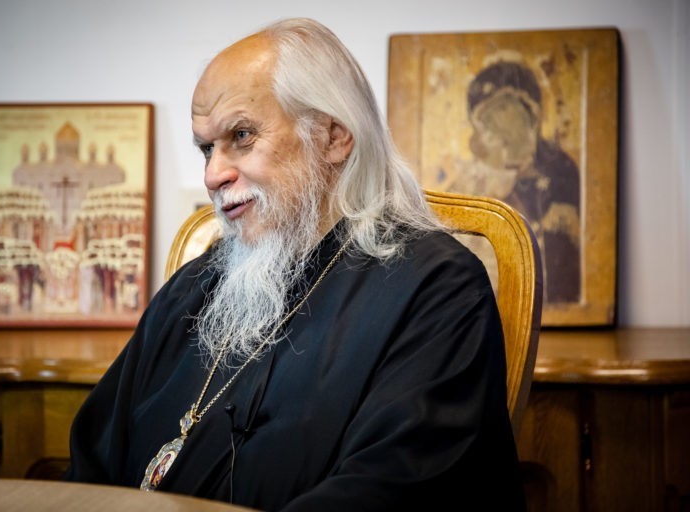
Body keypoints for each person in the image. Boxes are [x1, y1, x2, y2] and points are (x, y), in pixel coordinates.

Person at [65, 18, 526, 511]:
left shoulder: (437, 289)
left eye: (241, 135)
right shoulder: (193, 288)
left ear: (333, 137)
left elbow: (389, 490)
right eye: (207, 149)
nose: (213, 175)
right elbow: (91, 465)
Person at [447, 60, 581, 303]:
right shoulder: (472, 182)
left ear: (532, 115)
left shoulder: (559, 173)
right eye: (487, 117)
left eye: (505, 109)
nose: (496, 125)